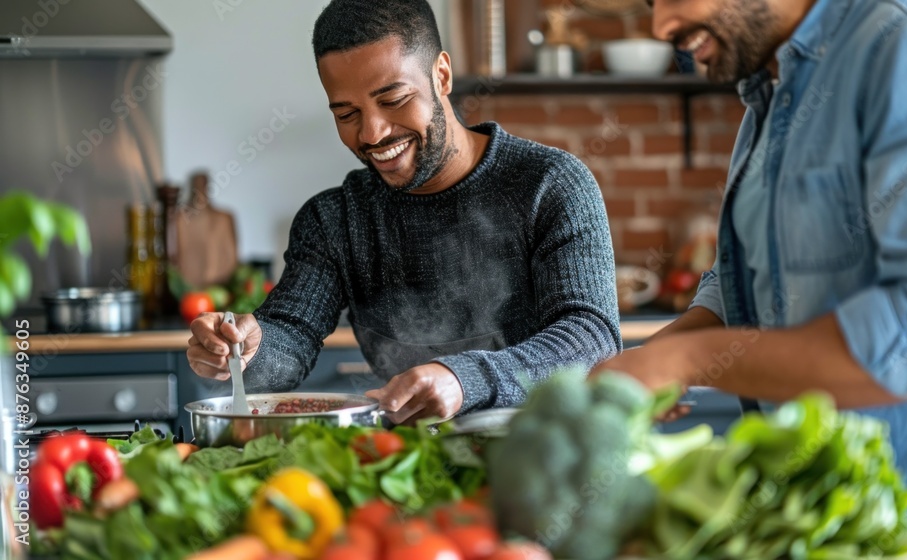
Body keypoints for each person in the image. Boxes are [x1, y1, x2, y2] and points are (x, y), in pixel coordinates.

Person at [597, 0, 907, 557]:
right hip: (817, 526)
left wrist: (682, 361)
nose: (661, 26)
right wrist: (657, 358)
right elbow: (746, 272)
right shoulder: (771, 89)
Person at [186, 0, 621, 425]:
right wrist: (245, 353)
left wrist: (462, 379)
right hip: (408, 467)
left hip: (544, 456)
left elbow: (592, 338)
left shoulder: (550, 184)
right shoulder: (335, 220)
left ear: (442, 75)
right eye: (347, 113)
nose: (372, 132)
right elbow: (291, 338)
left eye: (393, 99)